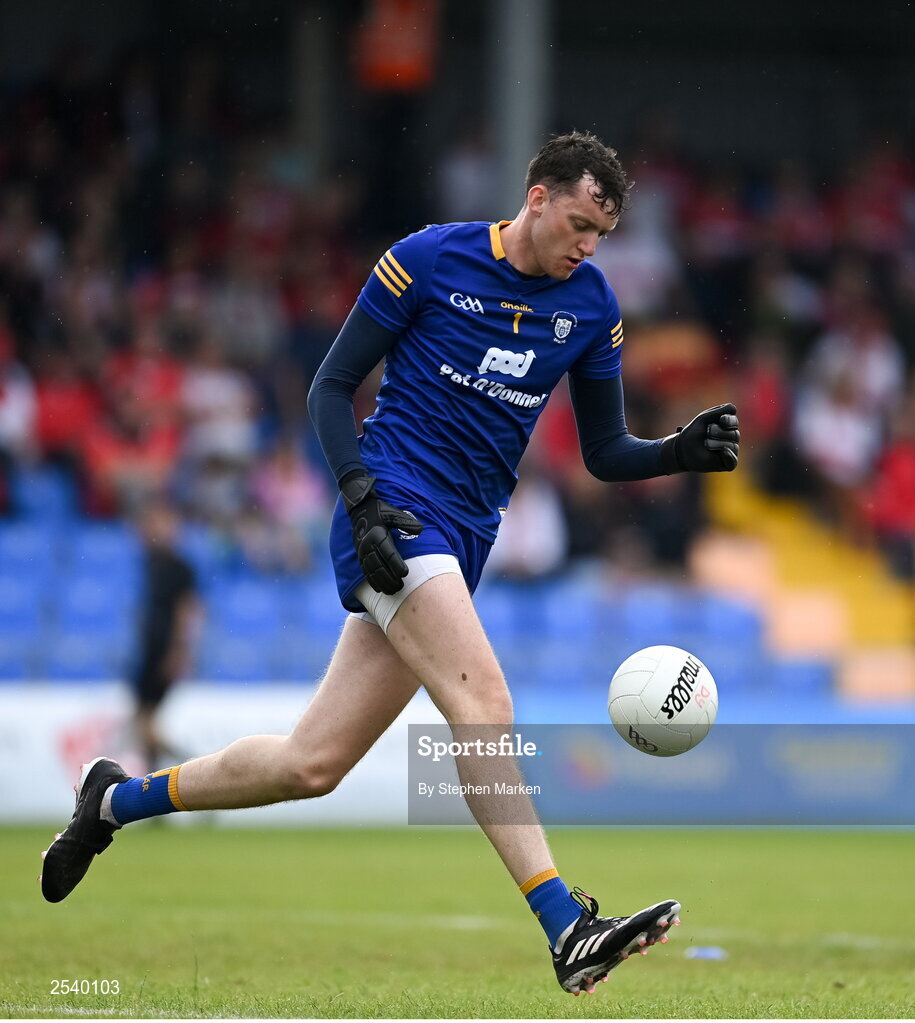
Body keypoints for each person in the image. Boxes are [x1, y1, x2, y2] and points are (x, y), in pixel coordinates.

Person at [39, 132, 740, 996]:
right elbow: (329, 388)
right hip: (394, 511)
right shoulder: (427, 259)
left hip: (464, 536)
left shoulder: (591, 306)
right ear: (536, 196)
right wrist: (361, 497)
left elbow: (602, 451)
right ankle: (566, 925)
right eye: (579, 223)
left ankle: (112, 800)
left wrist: (676, 452)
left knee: (312, 763)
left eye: (602, 233)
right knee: (482, 698)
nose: (588, 247)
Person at [129, 498, 200, 773]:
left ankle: (195, 770)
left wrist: (179, 651)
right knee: (145, 726)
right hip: (149, 651)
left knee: (144, 726)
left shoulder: (178, 567)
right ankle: (153, 789)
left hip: (163, 652)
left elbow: (188, 610)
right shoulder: (150, 562)